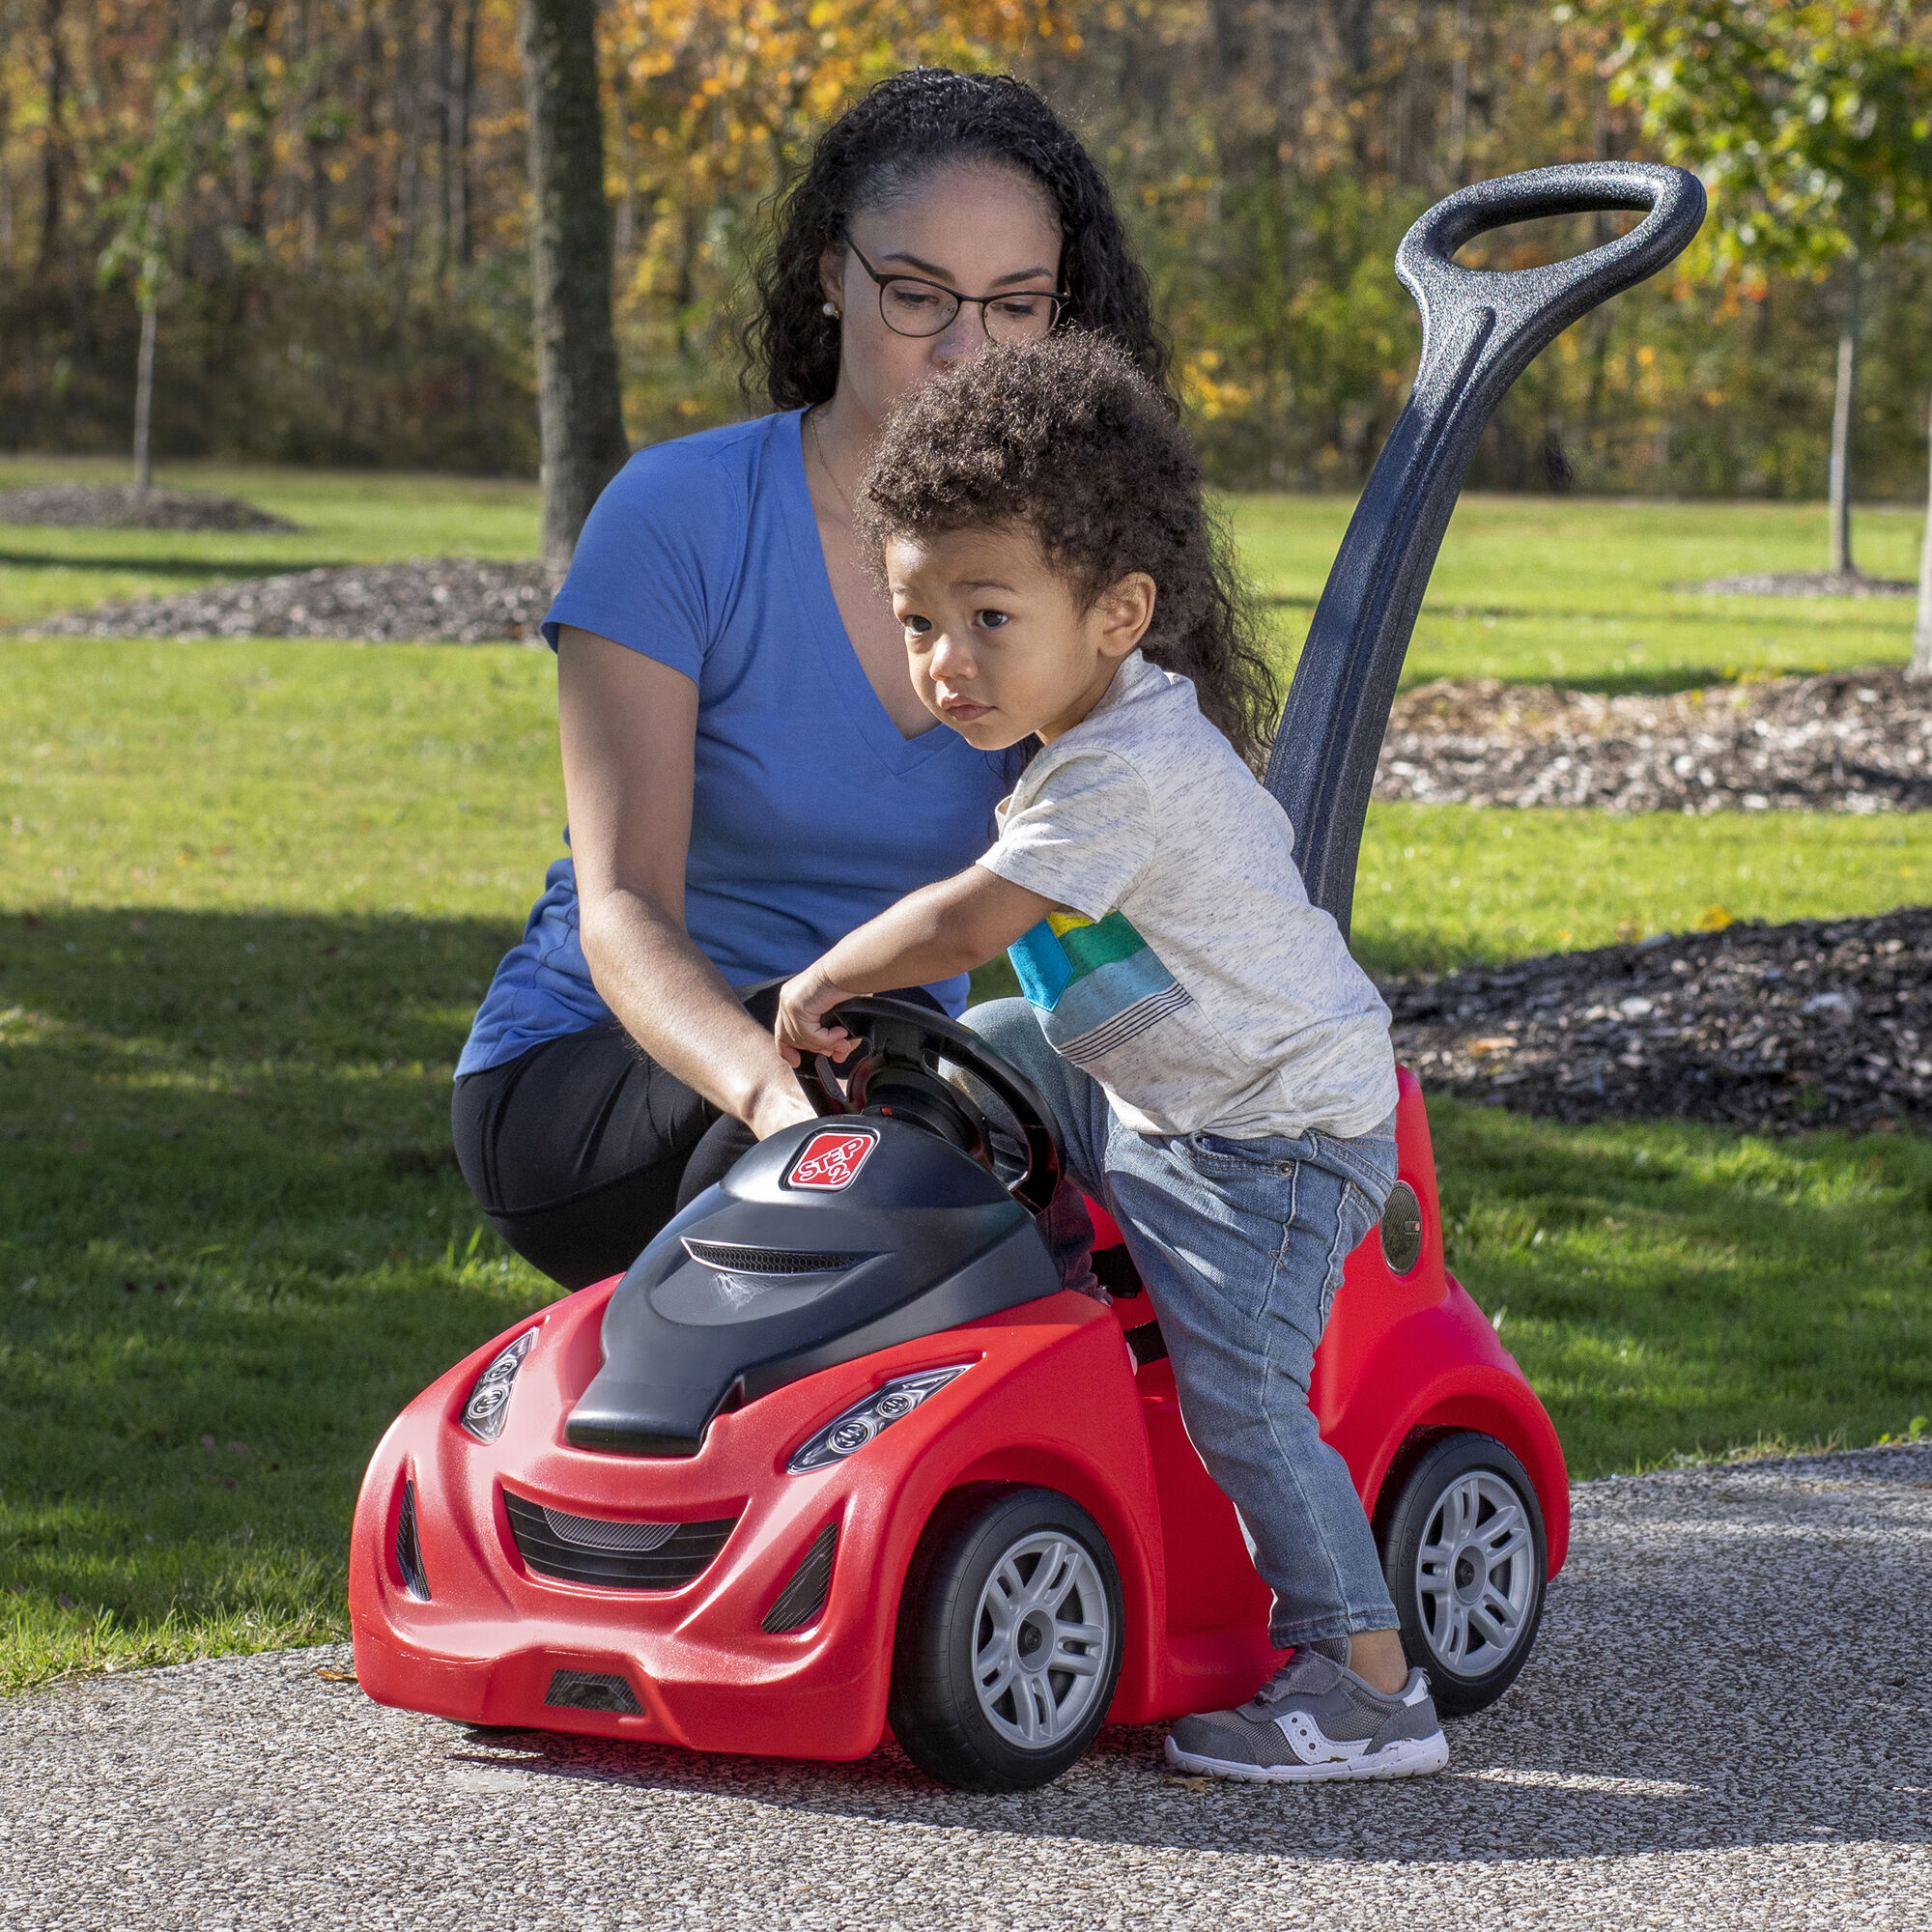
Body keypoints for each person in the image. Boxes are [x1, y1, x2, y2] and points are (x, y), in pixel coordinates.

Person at [773, 333, 1448, 1784]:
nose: (946, 660)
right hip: (1169, 1079)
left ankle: (1370, 1683)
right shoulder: (1085, 728)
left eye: (989, 617)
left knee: (1244, 1396)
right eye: (916, 620)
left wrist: (830, 973)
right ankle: (1038, 1278)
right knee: (990, 1047)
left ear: (1118, 612)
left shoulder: (1125, 768)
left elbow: (984, 910)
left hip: (1270, 1138)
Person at [451, 69, 1169, 1290]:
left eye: (1014, 306)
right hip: (601, 1072)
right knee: (878, 1138)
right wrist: (775, 1103)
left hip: (877, 1069)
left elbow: (1106, 881)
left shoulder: (1072, 566)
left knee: (1028, 1150)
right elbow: (623, 911)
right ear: (830, 276)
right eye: (915, 294)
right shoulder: (678, 514)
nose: (964, 352)